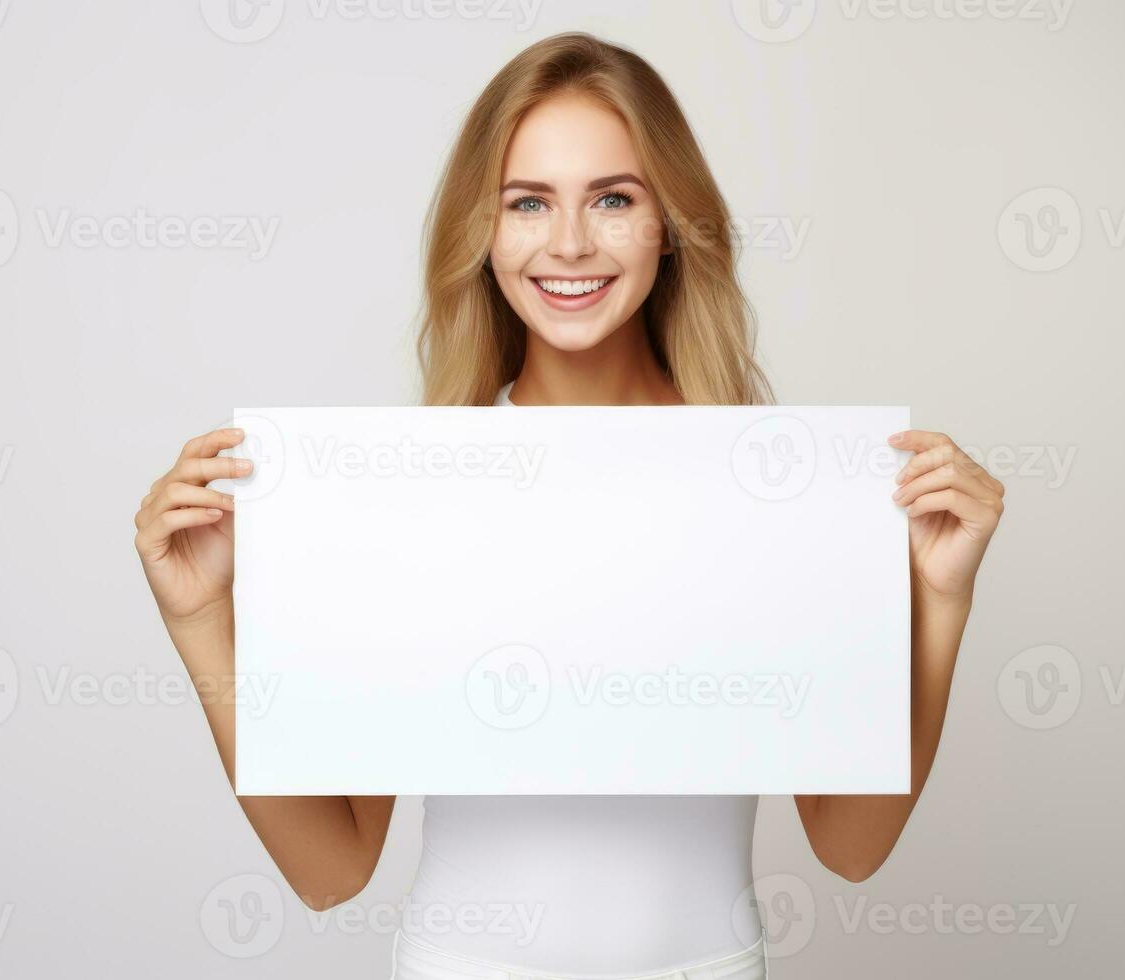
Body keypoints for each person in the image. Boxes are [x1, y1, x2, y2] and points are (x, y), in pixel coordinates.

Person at [133, 32, 1005, 980]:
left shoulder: (769, 484)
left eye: (614, 199)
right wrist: (201, 617)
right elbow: (329, 869)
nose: (571, 243)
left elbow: (851, 846)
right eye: (528, 203)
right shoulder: (413, 488)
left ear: (669, 222)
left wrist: (941, 600)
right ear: (485, 232)